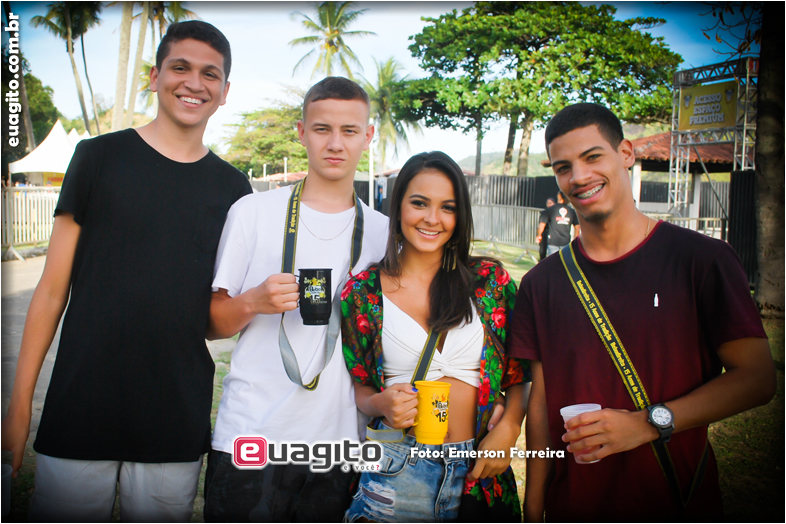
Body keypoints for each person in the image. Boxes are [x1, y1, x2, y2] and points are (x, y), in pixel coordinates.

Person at [1, 21, 251, 522]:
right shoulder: (97, 158)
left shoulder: (234, 190)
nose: (194, 83)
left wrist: (254, 303)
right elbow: (51, 291)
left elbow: (212, 318)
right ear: (155, 77)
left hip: (173, 414)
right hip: (80, 402)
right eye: (180, 67)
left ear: (225, 91)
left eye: (210, 74)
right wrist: (19, 401)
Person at [509, 103, 775, 521]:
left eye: (592, 157)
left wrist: (647, 424)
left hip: (676, 501)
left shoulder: (702, 260)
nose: (579, 176)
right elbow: (540, 405)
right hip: (572, 506)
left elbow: (757, 379)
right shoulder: (540, 283)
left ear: (626, 154)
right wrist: (534, 507)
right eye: (564, 167)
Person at [203, 77, 390, 522]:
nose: (335, 143)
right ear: (302, 132)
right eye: (322, 129)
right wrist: (253, 302)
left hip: (341, 443)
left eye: (349, 131)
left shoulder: (384, 233)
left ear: (368, 136)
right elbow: (212, 325)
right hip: (252, 433)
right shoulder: (253, 212)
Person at [341, 151, 530, 522]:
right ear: (398, 206)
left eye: (448, 207)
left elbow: (520, 373)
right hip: (397, 470)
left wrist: (509, 427)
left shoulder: (490, 281)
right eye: (419, 203)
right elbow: (362, 388)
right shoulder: (362, 292)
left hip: (480, 468)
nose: (432, 218)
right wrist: (381, 404)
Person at [536, 191, 580, 257]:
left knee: (554, 261)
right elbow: (577, 227)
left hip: (553, 242)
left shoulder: (550, 209)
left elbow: (542, 225)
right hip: (565, 242)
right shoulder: (571, 211)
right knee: (564, 261)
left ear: (559, 196)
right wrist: (576, 240)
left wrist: (539, 235)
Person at [537, 197, 555, 261]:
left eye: (551, 203)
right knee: (542, 250)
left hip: (552, 233)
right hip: (544, 232)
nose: (549, 204)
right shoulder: (544, 212)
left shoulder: (555, 213)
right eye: (548, 203)